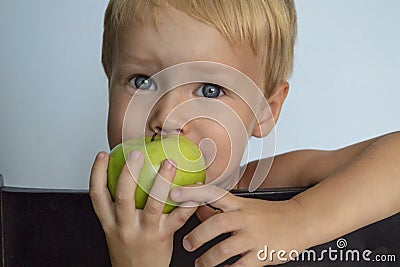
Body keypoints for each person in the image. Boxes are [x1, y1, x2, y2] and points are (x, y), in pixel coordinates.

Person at [89, 0, 400, 266]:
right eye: (142, 81)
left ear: (265, 111)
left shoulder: (269, 182)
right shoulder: (75, 219)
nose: (167, 118)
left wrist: (297, 218)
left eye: (209, 90)